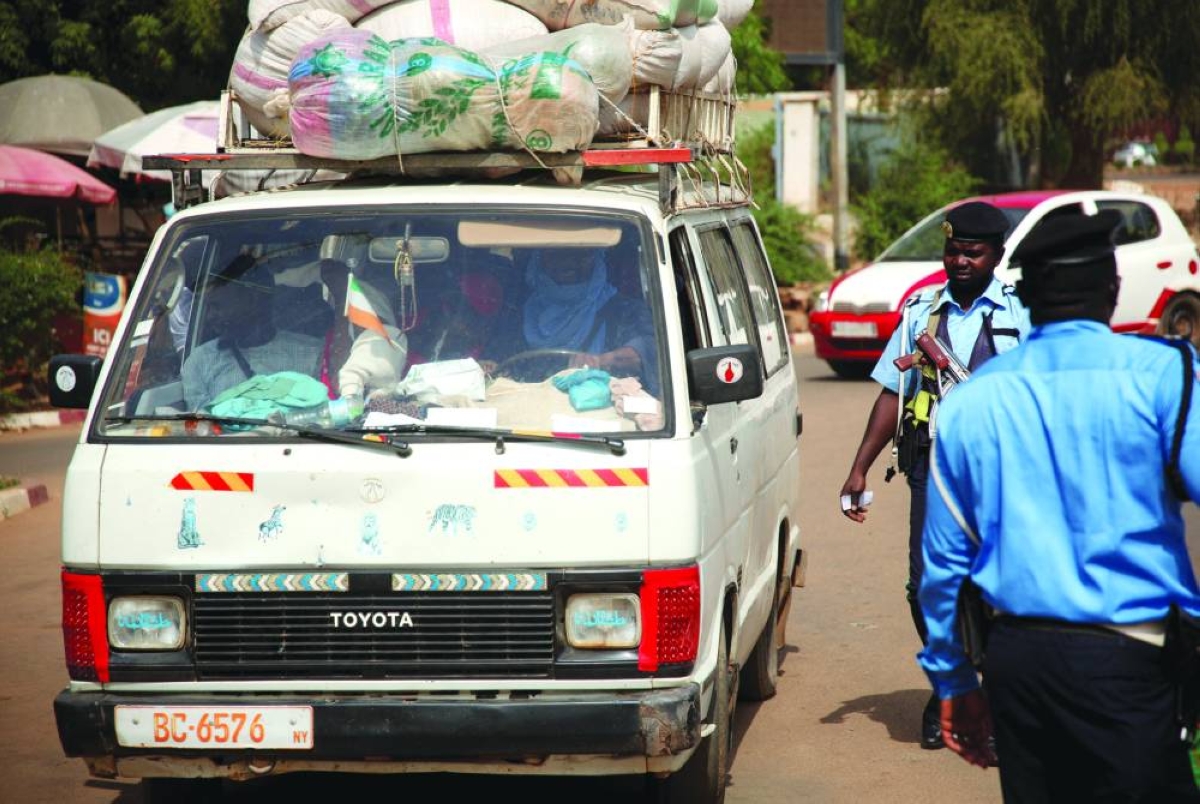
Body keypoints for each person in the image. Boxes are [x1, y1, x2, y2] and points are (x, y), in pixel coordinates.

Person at [918, 208, 1200, 801]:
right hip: (1135, 657)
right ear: (1113, 291)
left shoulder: (972, 403)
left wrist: (952, 679)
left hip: (1018, 663)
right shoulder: (1167, 373)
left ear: (1028, 298)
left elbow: (941, 566)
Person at [837, 200, 1031, 750]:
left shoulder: (1024, 313)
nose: (961, 260)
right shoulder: (921, 310)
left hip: (1003, 475)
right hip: (931, 466)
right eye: (952, 250)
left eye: (973, 252)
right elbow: (890, 391)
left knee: (997, 587)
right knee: (927, 588)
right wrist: (858, 468)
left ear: (997, 254)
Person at [487, 247, 658, 394]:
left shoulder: (625, 309)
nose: (567, 261)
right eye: (556, 254)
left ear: (596, 259)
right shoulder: (517, 312)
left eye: (580, 254)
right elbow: (498, 357)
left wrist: (601, 361)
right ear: (538, 259)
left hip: (596, 420)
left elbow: (647, 352)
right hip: (520, 418)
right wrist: (486, 366)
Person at [181, 255, 324, 410]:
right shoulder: (199, 362)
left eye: (218, 306)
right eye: (207, 307)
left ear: (252, 298)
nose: (210, 316)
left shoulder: (312, 353)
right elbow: (200, 427)